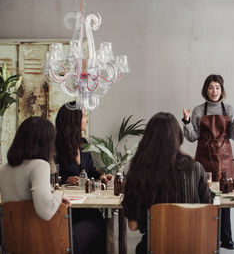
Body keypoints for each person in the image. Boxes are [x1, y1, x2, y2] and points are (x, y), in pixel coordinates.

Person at [122, 112, 214, 254]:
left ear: (148, 139)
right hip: (194, 245)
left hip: (155, 247)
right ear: (178, 137)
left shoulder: (139, 172)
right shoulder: (196, 168)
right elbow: (208, 211)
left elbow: (133, 226)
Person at [182, 74, 234, 250]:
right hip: (204, 158)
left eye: (218, 87)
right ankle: (205, 235)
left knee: (225, 197)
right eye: (211, 88)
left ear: (222, 90)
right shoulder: (198, 110)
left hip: (225, 159)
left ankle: (226, 237)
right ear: (206, 90)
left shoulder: (228, 109)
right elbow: (192, 137)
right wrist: (187, 121)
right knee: (204, 196)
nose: (214, 91)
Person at [55, 101, 109, 254]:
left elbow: (90, 170)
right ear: (73, 120)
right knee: (98, 224)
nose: (86, 120)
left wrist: (101, 176)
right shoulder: (55, 145)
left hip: (85, 203)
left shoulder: (83, 143)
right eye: (84, 116)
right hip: (66, 207)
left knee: (99, 221)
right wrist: (66, 179)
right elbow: (52, 175)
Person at [0, 117, 70, 221]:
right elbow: (46, 212)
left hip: (12, 235)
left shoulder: (4, 169)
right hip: (41, 234)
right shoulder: (40, 165)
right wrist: (59, 194)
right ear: (45, 143)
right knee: (97, 222)